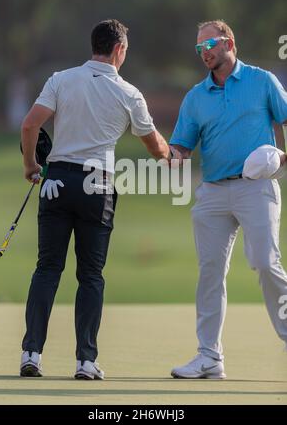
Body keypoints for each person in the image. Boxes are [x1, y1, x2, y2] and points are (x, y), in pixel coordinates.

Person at [20, 19, 171, 379]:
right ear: (119, 50)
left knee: (47, 269)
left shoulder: (61, 79)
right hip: (96, 187)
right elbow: (155, 148)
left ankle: (31, 354)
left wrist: (31, 166)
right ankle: (86, 361)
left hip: (55, 181)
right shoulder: (129, 93)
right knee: (90, 275)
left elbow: (30, 125)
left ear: (94, 45)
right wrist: (171, 152)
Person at [169, 19, 287, 379]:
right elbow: (181, 149)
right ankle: (209, 357)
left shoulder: (261, 81)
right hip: (214, 193)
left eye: (209, 46)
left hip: (256, 188)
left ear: (228, 42)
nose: (204, 53)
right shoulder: (195, 97)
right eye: (198, 49)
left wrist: (282, 157)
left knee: (266, 263)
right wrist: (161, 150)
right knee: (210, 273)